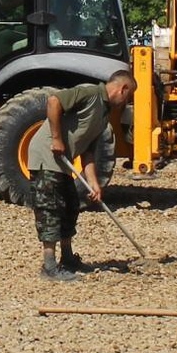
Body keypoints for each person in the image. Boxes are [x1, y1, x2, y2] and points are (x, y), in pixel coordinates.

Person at [30, 69, 135, 281]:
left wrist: (94, 183)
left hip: (62, 163)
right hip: (46, 156)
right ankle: (49, 267)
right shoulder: (89, 93)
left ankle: (67, 259)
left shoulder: (103, 115)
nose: (127, 101)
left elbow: (87, 152)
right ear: (122, 89)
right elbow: (53, 101)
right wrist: (57, 138)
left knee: (70, 206)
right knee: (50, 209)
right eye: (129, 95)